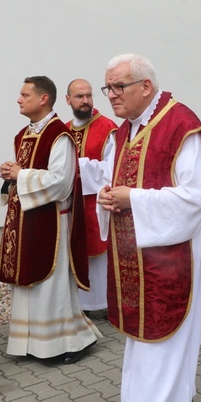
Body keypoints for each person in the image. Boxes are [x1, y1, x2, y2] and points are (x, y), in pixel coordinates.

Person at [96, 54, 201, 402]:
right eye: (107, 87)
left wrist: (133, 200)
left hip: (173, 261)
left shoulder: (180, 126)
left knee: (163, 350)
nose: (111, 95)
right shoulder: (126, 129)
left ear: (145, 86)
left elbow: (196, 199)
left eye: (118, 86)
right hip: (137, 262)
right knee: (143, 350)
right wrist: (109, 197)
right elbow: (119, 182)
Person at [0, 76, 101, 364]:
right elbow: (27, 172)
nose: (19, 99)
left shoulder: (59, 136)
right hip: (26, 222)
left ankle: (70, 343)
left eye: (25, 94)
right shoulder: (23, 134)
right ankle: (33, 343)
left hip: (51, 223)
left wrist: (21, 175)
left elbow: (61, 182)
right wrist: (11, 174)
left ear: (44, 99)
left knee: (51, 287)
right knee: (30, 283)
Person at [65, 78, 117, 313]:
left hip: (96, 205)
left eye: (89, 95)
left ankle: (105, 304)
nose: (85, 101)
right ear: (68, 100)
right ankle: (81, 305)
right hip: (71, 206)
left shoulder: (107, 127)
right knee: (76, 253)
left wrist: (75, 167)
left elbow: (113, 169)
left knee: (100, 259)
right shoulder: (63, 130)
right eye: (79, 96)